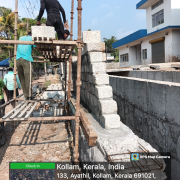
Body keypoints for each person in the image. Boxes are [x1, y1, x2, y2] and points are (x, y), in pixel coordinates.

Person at [16, 31, 36, 100]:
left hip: (18, 60)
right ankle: (30, 96)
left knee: (22, 79)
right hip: (26, 59)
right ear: (32, 35)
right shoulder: (32, 39)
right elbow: (37, 47)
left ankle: (26, 96)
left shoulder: (20, 38)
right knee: (28, 79)